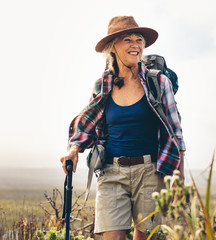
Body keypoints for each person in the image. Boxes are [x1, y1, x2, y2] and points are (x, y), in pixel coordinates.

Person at [59, 16, 186, 240]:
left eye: (139, 40)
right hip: (111, 172)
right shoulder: (103, 85)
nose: (135, 45)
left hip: (151, 172)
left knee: (146, 237)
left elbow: (176, 133)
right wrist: (73, 150)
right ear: (112, 47)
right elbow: (87, 120)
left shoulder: (158, 83)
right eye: (127, 39)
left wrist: (178, 178)